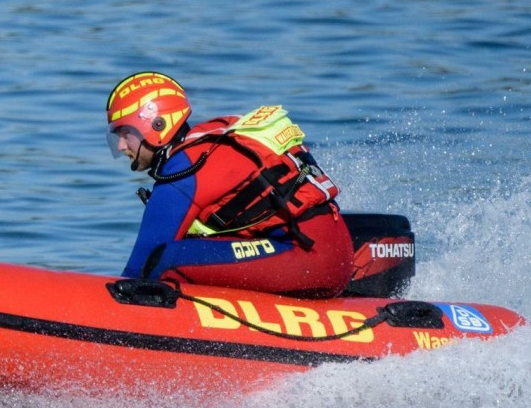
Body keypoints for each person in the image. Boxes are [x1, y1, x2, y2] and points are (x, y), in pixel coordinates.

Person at [105, 71, 353, 298]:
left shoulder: (183, 169)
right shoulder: (210, 139)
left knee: (163, 259)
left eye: (125, 134)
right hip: (329, 253)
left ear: (156, 125)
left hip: (310, 259)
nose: (121, 146)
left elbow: (140, 267)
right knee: (190, 250)